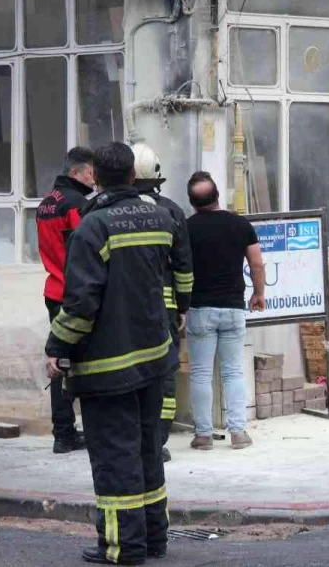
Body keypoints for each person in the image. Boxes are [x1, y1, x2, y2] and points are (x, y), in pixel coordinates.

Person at [45, 142, 190, 565]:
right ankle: (153, 537)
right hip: (153, 356)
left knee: (115, 457)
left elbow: (81, 304)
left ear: (97, 178)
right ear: (131, 175)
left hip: (108, 367)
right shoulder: (161, 217)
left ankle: (122, 546)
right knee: (147, 451)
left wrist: (56, 347)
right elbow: (178, 276)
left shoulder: (94, 227)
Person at [184, 172, 265, 451]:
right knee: (233, 372)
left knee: (201, 373)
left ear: (192, 203)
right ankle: (238, 433)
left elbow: (178, 267)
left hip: (200, 309)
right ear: (218, 195)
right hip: (233, 308)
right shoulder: (240, 225)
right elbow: (257, 264)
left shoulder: (186, 228)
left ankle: (204, 435)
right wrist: (259, 293)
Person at [129, 143, 192, 463]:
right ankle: (157, 439)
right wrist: (183, 305)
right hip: (163, 310)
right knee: (163, 372)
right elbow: (183, 267)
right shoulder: (171, 212)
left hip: (121, 311)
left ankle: (131, 436)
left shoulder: (104, 212)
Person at [36, 146, 94, 454]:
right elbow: (85, 250)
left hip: (54, 290)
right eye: (89, 173)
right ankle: (70, 432)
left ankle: (63, 431)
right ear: (75, 172)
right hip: (74, 294)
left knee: (60, 363)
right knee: (84, 363)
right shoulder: (77, 204)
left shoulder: (46, 203)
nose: (94, 179)